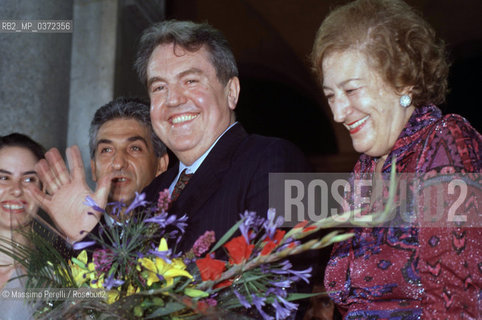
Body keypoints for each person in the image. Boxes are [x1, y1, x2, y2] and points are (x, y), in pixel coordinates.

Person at [30, 21, 311, 252]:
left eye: (190, 81)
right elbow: (121, 296)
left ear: (232, 91)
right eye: (159, 87)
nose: (173, 100)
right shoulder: (152, 194)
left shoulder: (280, 159)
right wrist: (88, 234)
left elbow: (279, 286)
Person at [311, 0, 481, 319]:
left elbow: (455, 300)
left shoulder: (444, 141)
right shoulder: (363, 170)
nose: (337, 113)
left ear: (403, 81)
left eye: (351, 90)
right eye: (331, 95)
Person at [0, 133, 45, 319]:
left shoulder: (58, 279)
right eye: (3, 178)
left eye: (29, 179)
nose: (17, 189)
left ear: (43, 189)